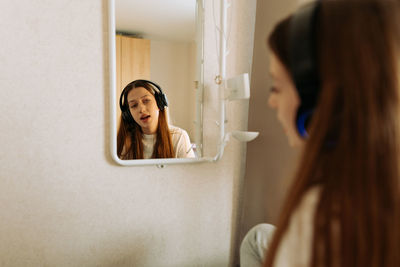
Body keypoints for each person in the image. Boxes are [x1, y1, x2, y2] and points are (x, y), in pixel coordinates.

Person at [241, 1, 400, 267]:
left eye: (277, 87)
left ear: (318, 102)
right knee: (257, 236)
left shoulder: (319, 217)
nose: (271, 102)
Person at [117, 79, 195, 159]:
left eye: (146, 101)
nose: (141, 109)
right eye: (134, 105)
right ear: (128, 114)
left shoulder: (179, 136)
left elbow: (188, 170)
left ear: (159, 103)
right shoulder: (125, 141)